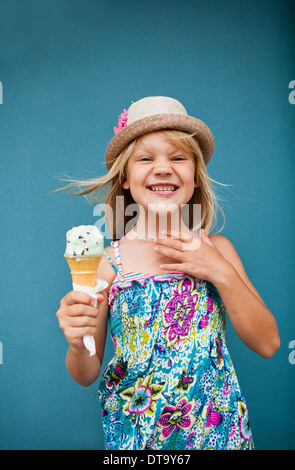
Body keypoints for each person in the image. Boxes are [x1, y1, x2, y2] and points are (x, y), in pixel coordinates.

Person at [56, 96, 280, 450]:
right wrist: (75, 341)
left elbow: (268, 344)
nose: (163, 168)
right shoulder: (109, 262)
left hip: (219, 436)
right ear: (126, 179)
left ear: (194, 177)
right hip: (139, 439)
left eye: (178, 158)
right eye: (146, 158)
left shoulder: (218, 250)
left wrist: (220, 272)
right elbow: (85, 374)